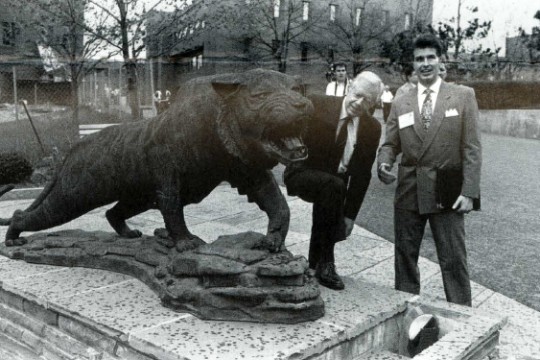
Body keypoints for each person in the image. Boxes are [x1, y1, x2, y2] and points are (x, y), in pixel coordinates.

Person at [377, 34, 481, 306]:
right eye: (419, 58)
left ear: (440, 60)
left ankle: (463, 318)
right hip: (409, 188)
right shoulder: (402, 101)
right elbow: (390, 142)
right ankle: (406, 312)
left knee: (454, 259)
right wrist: (384, 161)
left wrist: (469, 192)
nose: (425, 64)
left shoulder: (462, 96)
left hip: (447, 189)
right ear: (413, 63)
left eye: (430, 58)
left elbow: (472, 148)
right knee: (405, 257)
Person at [285, 71, 384, 290]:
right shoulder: (318, 105)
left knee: (332, 189)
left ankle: (315, 265)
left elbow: (361, 175)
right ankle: (326, 262)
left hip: (333, 187)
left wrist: (349, 215)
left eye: (366, 100)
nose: (359, 103)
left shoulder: (371, 128)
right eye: (357, 94)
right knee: (333, 186)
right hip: (302, 172)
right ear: (349, 87)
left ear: (373, 103)